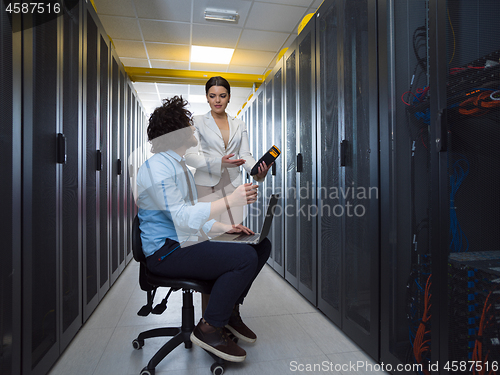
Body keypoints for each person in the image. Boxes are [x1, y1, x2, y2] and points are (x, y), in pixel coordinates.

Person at [135, 96, 271, 363]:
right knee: (243, 259)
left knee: (259, 245)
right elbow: (182, 216)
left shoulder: (179, 166)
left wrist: (226, 227)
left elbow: (193, 214)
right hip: (166, 253)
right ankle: (208, 328)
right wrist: (230, 201)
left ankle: (229, 311)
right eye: (188, 124)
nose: (194, 128)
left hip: (183, 241)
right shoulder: (158, 168)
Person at [185, 76, 272, 225]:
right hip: (206, 185)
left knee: (232, 231)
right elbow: (190, 156)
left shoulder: (239, 124)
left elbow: (245, 155)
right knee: (210, 232)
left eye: (222, 96)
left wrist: (257, 171)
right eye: (212, 96)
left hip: (233, 186)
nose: (217, 100)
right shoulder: (197, 121)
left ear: (229, 97)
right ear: (207, 98)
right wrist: (219, 163)